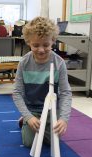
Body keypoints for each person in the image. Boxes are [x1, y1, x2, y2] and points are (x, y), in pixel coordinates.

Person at [13, 17, 72, 148]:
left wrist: (63, 119)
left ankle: (42, 123)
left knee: (52, 142)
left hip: (51, 109)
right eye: (35, 45)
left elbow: (66, 92)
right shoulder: (24, 63)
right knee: (29, 143)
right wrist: (28, 117)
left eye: (46, 45)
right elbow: (17, 93)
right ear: (28, 42)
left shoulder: (59, 63)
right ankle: (24, 121)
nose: (41, 50)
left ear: (53, 41)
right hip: (31, 109)